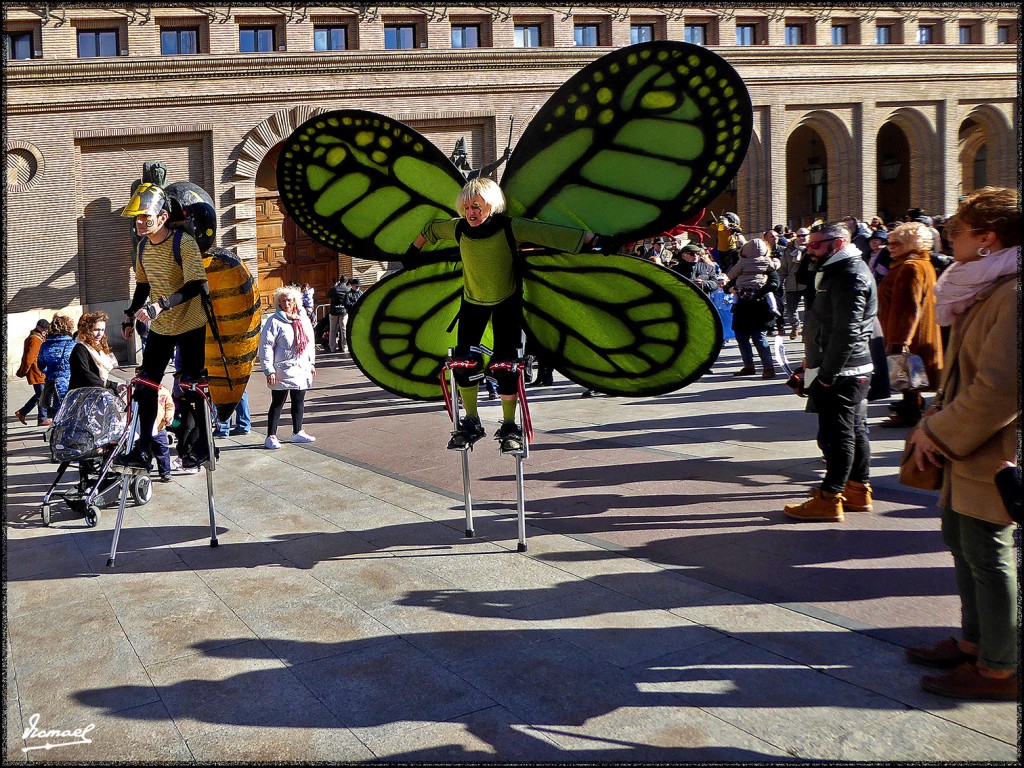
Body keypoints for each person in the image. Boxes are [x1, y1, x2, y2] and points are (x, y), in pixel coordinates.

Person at [904, 186, 1019, 701]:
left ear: (988, 240)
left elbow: (1001, 389)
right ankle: (976, 643)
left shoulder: (1013, 293)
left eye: (958, 232)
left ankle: (1001, 667)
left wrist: (937, 432)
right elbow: (962, 377)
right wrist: (934, 422)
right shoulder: (986, 286)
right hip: (966, 447)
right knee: (964, 546)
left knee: (989, 556)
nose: (950, 239)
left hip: (994, 451)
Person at [409, 176, 597, 453]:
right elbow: (430, 229)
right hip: (472, 302)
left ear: (490, 206)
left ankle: (509, 424)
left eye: (477, 206)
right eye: (466, 208)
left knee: (505, 365)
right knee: (463, 363)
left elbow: (547, 233)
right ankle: (471, 421)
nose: (471, 212)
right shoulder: (459, 229)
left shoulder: (509, 227)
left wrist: (591, 240)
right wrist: (413, 251)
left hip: (507, 302)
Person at [783, 221, 877, 522]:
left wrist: (825, 375)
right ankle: (858, 490)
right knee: (853, 430)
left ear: (836, 244)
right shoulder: (838, 269)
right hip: (834, 366)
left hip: (841, 370)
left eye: (815, 245)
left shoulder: (849, 274)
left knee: (839, 435)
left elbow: (847, 331)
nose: (809, 251)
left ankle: (830, 497)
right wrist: (809, 366)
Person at [116, 183, 211, 471]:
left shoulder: (183, 243)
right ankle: (144, 449)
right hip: (162, 326)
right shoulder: (143, 246)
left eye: (146, 217)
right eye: (137, 218)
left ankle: (204, 446)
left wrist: (162, 305)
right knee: (145, 387)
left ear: (163, 217)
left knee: (193, 388)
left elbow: (196, 284)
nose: (140, 222)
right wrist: (131, 315)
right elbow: (143, 285)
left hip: (191, 322)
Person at [877, 222, 943, 428]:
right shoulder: (923, 264)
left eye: (897, 243)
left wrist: (900, 340)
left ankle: (910, 412)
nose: (891, 247)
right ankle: (912, 409)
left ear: (912, 244)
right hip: (920, 330)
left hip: (907, 331)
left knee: (907, 373)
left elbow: (908, 306)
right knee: (912, 376)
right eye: (890, 243)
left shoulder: (910, 267)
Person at [260, 285, 317, 449]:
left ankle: (297, 432)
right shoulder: (274, 321)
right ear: (278, 302)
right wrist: (268, 369)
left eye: (289, 300)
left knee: (299, 400)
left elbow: (310, 343)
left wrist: (311, 362)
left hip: (301, 367)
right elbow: (266, 346)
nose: (286, 303)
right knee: (278, 402)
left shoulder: (303, 319)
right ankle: (271, 436)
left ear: (295, 302)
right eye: (283, 300)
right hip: (281, 369)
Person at [726, 238, 779, 379]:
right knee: (741, 337)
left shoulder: (767, 265)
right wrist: (732, 289)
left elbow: (775, 283)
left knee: (759, 338)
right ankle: (748, 366)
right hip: (742, 307)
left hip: (759, 307)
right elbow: (728, 283)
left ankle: (768, 367)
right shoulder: (743, 264)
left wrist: (756, 292)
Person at [37, 313, 77, 422]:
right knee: (70, 413)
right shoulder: (73, 345)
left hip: (52, 384)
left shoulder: (45, 345)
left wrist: (50, 373)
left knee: (56, 414)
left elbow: (40, 365)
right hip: (70, 384)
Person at [69, 311, 121, 393]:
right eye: (96, 330)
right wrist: (112, 385)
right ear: (88, 330)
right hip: (83, 396)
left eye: (102, 330)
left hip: (97, 393)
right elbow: (86, 375)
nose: (100, 334)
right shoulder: (80, 349)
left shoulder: (99, 349)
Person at [14, 319, 50, 426]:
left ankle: (22, 412)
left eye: (46, 328)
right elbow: (29, 358)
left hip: (40, 371)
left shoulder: (39, 338)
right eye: (43, 328)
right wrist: (22, 371)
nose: (44, 330)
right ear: (38, 327)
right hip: (37, 372)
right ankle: (42, 419)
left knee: (40, 394)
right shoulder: (34, 339)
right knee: (42, 395)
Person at [779, 228, 808, 339]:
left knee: (808, 310)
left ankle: (806, 331)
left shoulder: (812, 249)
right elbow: (783, 268)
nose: (802, 237)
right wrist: (780, 282)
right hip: (792, 283)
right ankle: (795, 326)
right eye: (799, 235)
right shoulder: (788, 250)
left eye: (804, 235)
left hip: (807, 284)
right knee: (791, 310)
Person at [326, 276, 350, 353]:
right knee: (344, 329)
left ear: (339, 280)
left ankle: (332, 348)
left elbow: (328, 296)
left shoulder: (333, 289)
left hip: (333, 310)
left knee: (332, 329)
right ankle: (344, 347)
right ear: (346, 282)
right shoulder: (348, 289)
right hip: (344, 310)